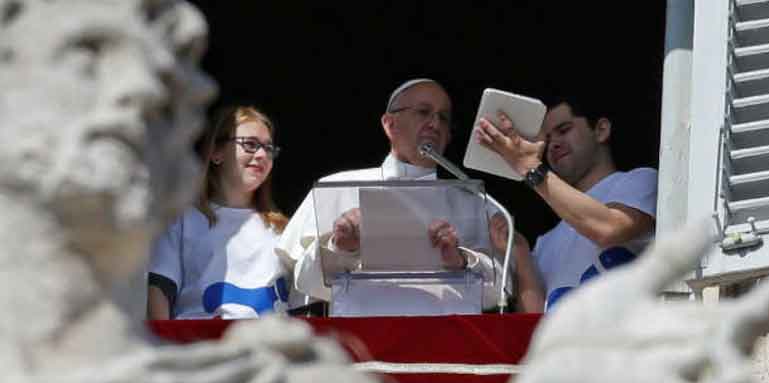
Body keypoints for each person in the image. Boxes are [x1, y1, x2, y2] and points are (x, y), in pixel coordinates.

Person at [277, 78, 502, 316]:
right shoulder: (336, 188)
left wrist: (460, 261)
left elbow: (499, 295)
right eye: (423, 112)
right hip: (363, 346)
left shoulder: (471, 201)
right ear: (389, 124)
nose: (435, 124)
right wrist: (340, 247)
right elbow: (302, 285)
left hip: (445, 347)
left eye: (444, 117)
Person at [478, 96, 657, 313]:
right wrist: (521, 254)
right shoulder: (545, 242)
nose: (553, 143)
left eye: (564, 130)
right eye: (548, 138)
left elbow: (610, 228)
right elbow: (534, 324)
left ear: (601, 130)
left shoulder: (640, 180)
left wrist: (529, 166)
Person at [147, 105, 297, 319]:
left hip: (270, 345)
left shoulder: (286, 228)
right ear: (216, 152)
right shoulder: (181, 218)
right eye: (251, 144)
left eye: (269, 148)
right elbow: (159, 287)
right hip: (201, 346)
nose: (262, 154)